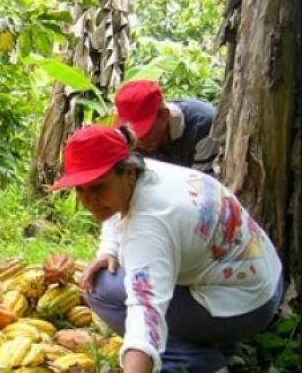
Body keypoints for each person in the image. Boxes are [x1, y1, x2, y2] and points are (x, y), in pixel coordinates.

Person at [49, 125, 283, 373]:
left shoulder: (150, 225)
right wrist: (108, 249)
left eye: (97, 187)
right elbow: (113, 210)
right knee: (111, 270)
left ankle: (195, 361)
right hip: (264, 280)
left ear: (127, 173)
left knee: (101, 289)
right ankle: (222, 347)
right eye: (80, 189)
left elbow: (145, 310)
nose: (88, 201)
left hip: (247, 309)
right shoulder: (146, 172)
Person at [115, 80, 218, 174]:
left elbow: (202, 185)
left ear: (164, 115)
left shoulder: (202, 126)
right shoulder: (130, 138)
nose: (140, 140)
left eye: (145, 131)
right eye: (134, 133)